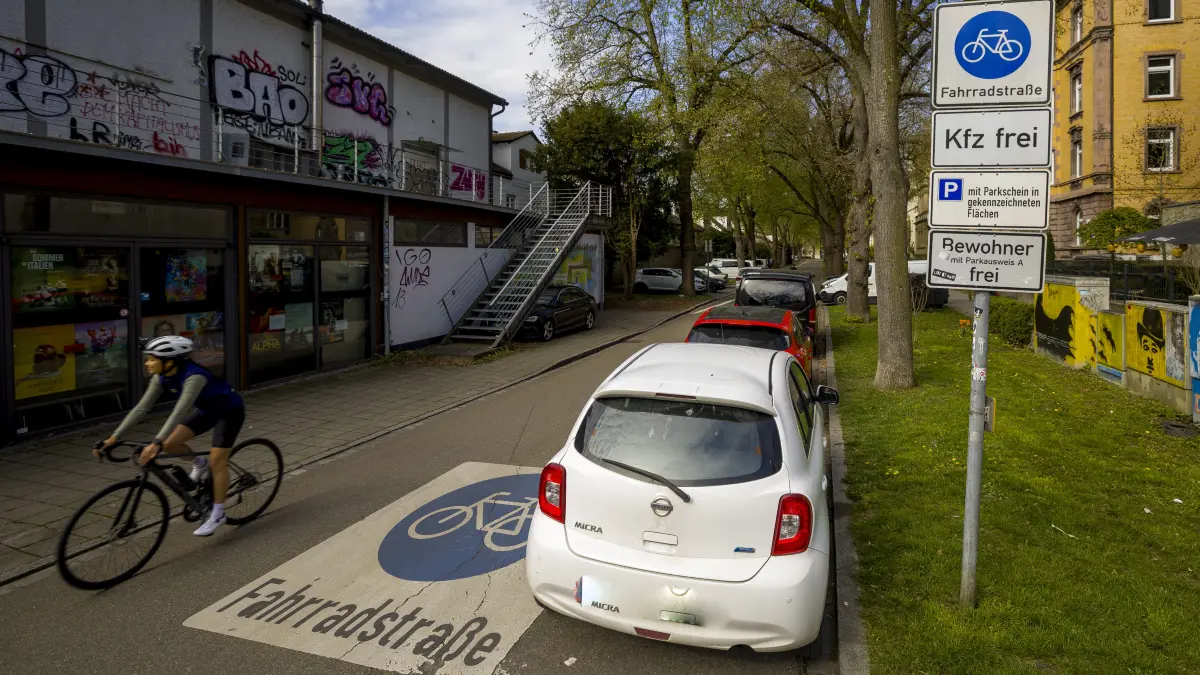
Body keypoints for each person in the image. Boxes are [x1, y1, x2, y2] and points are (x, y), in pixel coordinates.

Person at [98, 336, 245, 536]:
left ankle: (218, 513)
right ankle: (199, 463)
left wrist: (155, 443)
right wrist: (113, 438)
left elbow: (179, 411)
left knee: (217, 462)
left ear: (169, 362)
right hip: (206, 411)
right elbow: (142, 408)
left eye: (151, 359)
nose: (147, 363)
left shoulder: (195, 376)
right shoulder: (161, 376)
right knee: (170, 445)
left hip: (229, 412)